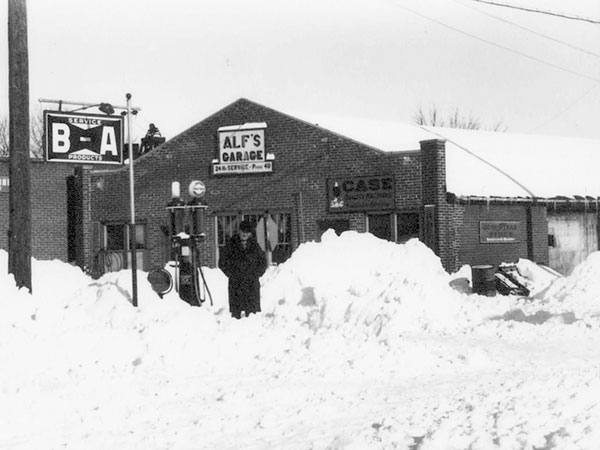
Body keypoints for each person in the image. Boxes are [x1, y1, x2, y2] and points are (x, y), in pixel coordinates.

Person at [218, 220, 267, 319]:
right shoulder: (231, 244)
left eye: (247, 232)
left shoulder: (255, 245)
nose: (245, 234)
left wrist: (257, 274)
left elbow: (263, 262)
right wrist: (231, 274)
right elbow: (222, 262)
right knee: (236, 314)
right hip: (236, 284)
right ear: (239, 231)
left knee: (251, 314)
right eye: (243, 231)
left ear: (250, 233)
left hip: (251, 283)